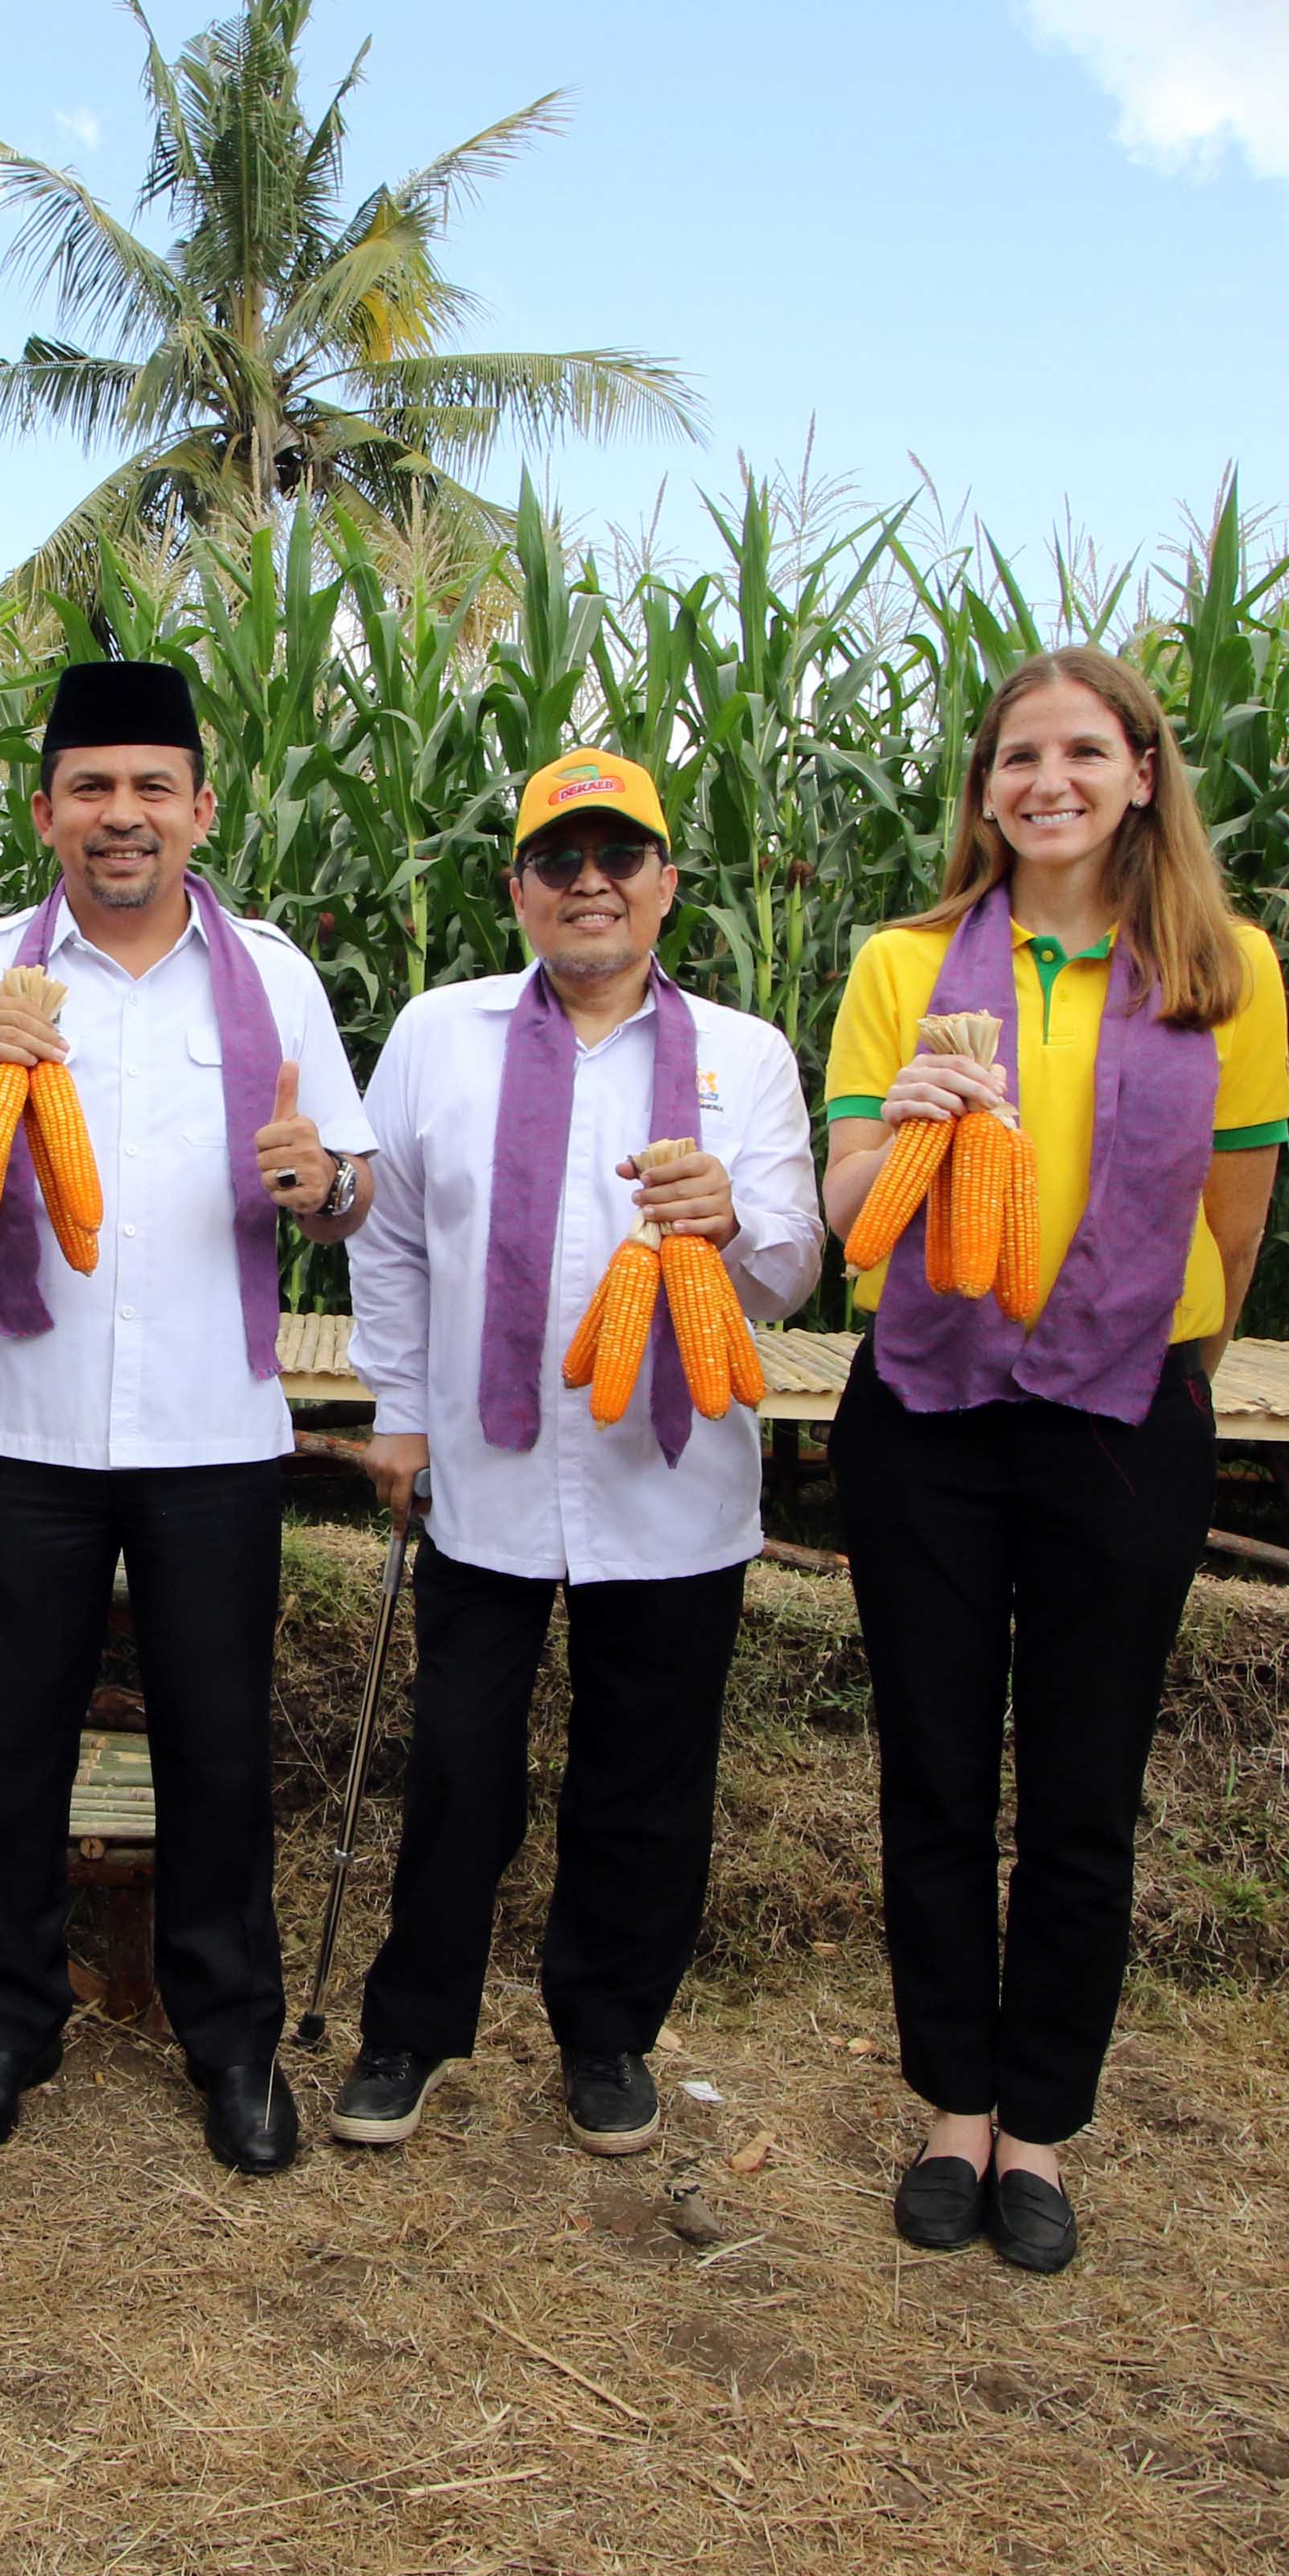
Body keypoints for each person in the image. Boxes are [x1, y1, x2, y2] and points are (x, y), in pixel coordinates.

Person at [0, 659, 377, 2175]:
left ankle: (232, 2041)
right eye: (91, 786)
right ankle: (6, 2024)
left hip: (215, 1431)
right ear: (45, 812)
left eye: (154, 784)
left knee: (217, 1750)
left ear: (203, 807)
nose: (123, 814)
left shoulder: (274, 977)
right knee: (12, 1743)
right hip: (29, 1425)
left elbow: (348, 1188)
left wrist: (325, 1188)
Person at [817, 650, 1288, 2277]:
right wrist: (903, 1130)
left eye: (1087, 751)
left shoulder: (1228, 972)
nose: (1052, 781)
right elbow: (844, 1211)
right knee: (936, 1771)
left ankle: (1044, 2132)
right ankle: (953, 2107)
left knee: (1084, 1789)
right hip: (931, 1410)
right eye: (1022, 756)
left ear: (1145, 773)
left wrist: (1177, 1359)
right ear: (985, 788)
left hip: (1123, 1414)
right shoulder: (902, 965)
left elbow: (1238, 1209)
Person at [329, 748, 822, 2158]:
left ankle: (607, 2034)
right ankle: (411, 2027)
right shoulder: (440, 1030)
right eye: (560, 862)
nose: (590, 885)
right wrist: (398, 1410)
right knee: (459, 1763)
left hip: (672, 1484)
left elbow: (789, 1272)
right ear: (520, 889)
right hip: (485, 1473)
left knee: (645, 1780)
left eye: (620, 859)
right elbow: (393, 1235)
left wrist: (733, 1217)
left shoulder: (745, 1056)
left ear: (667, 885)